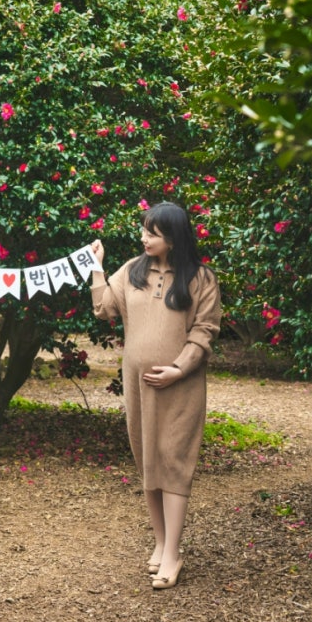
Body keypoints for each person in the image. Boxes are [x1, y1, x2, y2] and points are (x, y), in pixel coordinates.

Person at [90, 200, 221, 591]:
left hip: (181, 385)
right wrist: (97, 266)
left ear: (174, 238)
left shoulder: (201, 278)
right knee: (148, 458)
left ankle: (173, 553)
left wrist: (178, 368)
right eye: (144, 230)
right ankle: (161, 542)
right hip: (139, 384)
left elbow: (204, 331)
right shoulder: (132, 270)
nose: (144, 238)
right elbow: (103, 309)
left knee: (173, 460)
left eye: (153, 233)